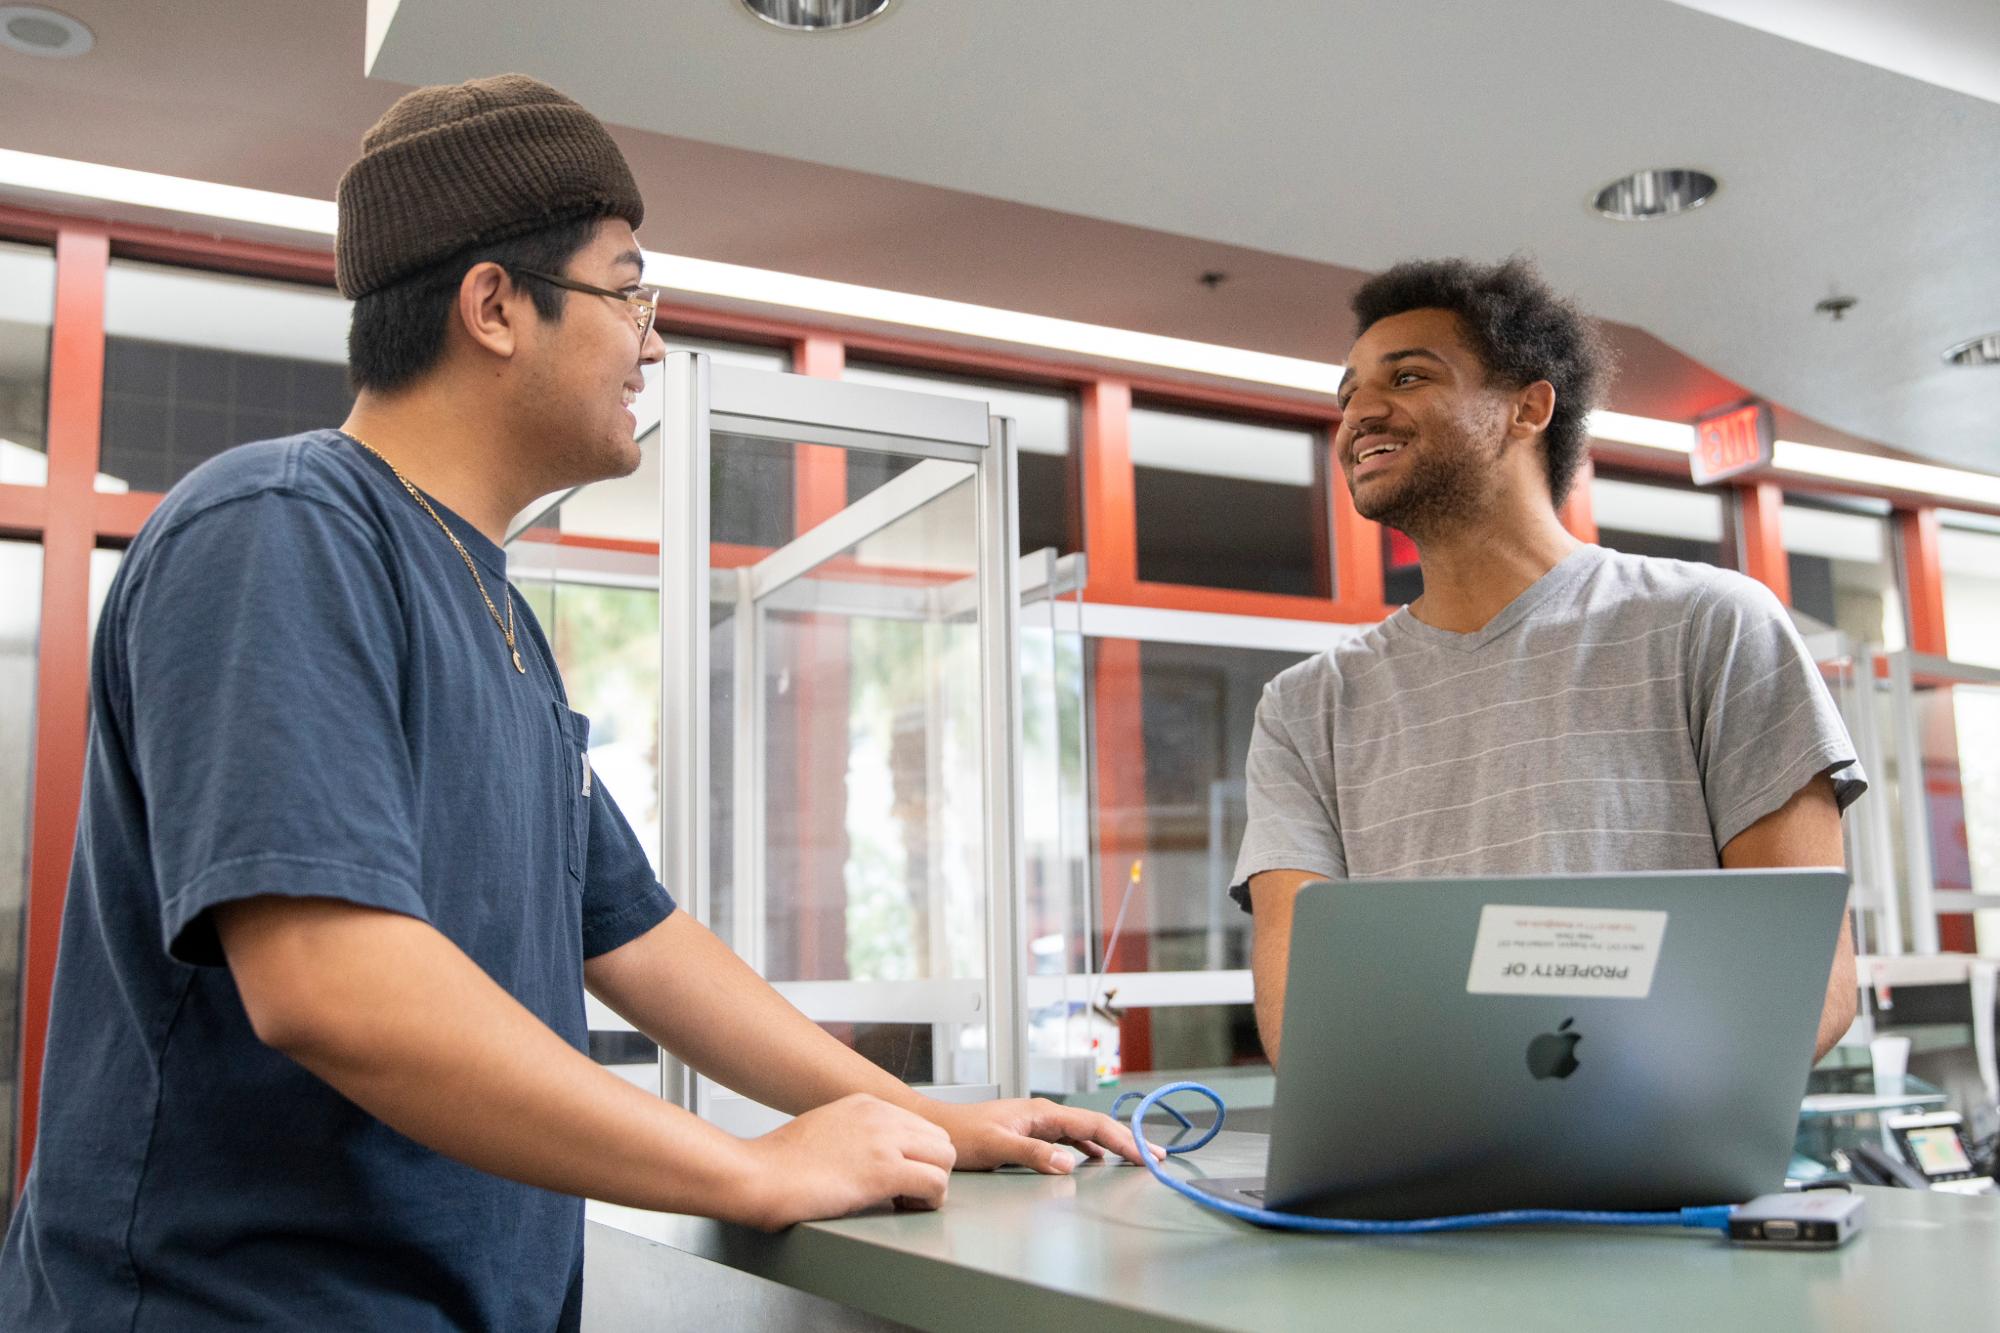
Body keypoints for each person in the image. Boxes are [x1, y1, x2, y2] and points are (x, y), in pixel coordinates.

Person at [0, 75, 1148, 1331]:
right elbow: (331, 982)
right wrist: (748, 1168)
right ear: (495, 305)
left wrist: (927, 1113)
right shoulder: (281, 527)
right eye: (628, 290)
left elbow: (641, 938)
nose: (653, 340)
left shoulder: (493, 610)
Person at [1231, 257, 1863, 1067]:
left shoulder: (1712, 627)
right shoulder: (1305, 708)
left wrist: (1604, 1105)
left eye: (1409, 376)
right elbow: (1305, 1020)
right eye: (1346, 394)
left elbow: (1810, 977)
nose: (1360, 413)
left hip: (1668, 1176)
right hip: (1427, 1181)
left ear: (1528, 407)